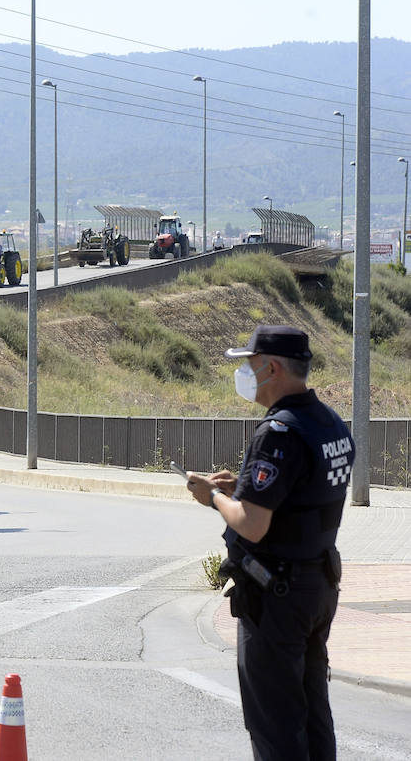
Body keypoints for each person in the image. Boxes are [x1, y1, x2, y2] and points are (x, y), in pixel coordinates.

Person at [185, 324, 352, 761]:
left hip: (276, 596)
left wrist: (214, 496)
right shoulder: (330, 423)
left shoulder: (278, 432)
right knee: (313, 713)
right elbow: (302, 495)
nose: (245, 374)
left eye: (250, 364)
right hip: (318, 586)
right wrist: (242, 487)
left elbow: (253, 525)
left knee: (276, 724)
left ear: (272, 368)